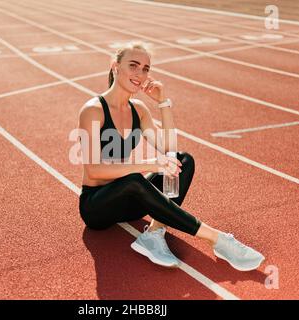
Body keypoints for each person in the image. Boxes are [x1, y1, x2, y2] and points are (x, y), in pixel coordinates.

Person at [76, 42, 264, 271]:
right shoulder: (93, 110)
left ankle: (153, 234)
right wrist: (150, 163)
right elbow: (94, 170)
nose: (140, 74)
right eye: (133, 66)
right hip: (97, 207)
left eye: (145, 69)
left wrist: (163, 102)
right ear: (115, 66)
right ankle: (216, 239)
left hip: (131, 202)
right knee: (134, 179)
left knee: (183, 161)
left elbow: (169, 149)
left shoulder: (139, 110)